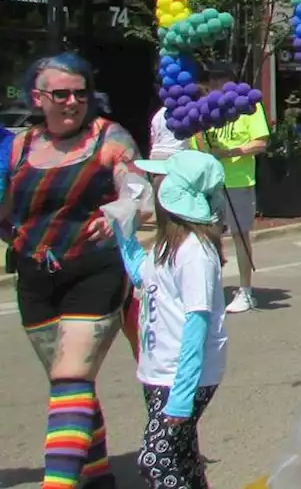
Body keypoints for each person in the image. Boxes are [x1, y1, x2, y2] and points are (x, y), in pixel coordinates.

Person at [1, 53, 141, 489]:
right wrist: (19, 239)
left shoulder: (109, 138)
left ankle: (58, 483)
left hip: (96, 271)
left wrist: (118, 211)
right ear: (38, 97)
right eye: (60, 94)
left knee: (71, 375)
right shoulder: (21, 147)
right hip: (36, 279)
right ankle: (97, 475)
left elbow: (139, 192)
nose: (72, 102)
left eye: (80, 93)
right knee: (69, 385)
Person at [121, 150, 229, 489]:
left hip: (182, 376)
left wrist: (182, 397)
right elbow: (143, 276)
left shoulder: (195, 252)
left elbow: (197, 324)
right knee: (181, 458)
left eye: (161, 179)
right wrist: (122, 232)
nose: (154, 183)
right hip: (159, 370)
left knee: (157, 459)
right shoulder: (168, 244)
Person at [193, 62, 269, 314]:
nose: (216, 86)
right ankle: (210, 287)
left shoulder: (248, 105)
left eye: (221, 80)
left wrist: (230, 152)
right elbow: (196, 144)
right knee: (207, 237)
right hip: (208, 182)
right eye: (212, 81)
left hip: (238, 181)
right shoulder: (205, 108)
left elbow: (260, 142)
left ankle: (246, 291)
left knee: (240, 236)